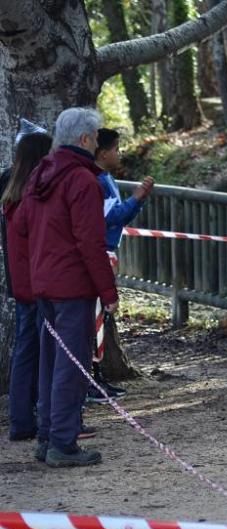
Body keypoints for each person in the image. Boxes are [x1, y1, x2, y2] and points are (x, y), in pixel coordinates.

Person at [9, 107, 117, 467]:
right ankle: (62, 443)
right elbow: (91, 242)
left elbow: (21, 227)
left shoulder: (40, 174)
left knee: (51, 361)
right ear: (85, 139)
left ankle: (46, 437)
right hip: (72, 286)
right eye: (98, 135)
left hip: (43, 285)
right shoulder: (82, 181)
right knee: (71, 365)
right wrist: (108, 292)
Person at [87, 128, 154, 402]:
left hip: (109, 251)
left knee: (101, 318)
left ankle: (97, 374)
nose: (119, 153)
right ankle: (90, 378)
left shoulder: (106, 179)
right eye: (116, 149)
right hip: (100, 253)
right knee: (94, 318)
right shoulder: (99, 182)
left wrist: (135, 202)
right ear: (103, 153)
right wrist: (136, 197)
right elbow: (111, 217)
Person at [1, 126, 52, 444]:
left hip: (21, 283)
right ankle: (33, 417)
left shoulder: (10, 188)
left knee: (26, 349)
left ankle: (23, 417)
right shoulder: (33, 191)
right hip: (38, 282)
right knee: (40, 350)